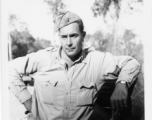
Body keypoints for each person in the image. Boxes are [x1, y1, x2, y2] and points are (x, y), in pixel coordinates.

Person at [9, 10, 142, 120]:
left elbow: (131, 63)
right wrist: (28, 102)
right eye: (64, 37)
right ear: (59, 37)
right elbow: (8, 69)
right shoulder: (43, 59)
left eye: (74, 36)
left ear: (83, 36)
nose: (69, 43)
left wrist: (122, 84)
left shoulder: (96, 61)